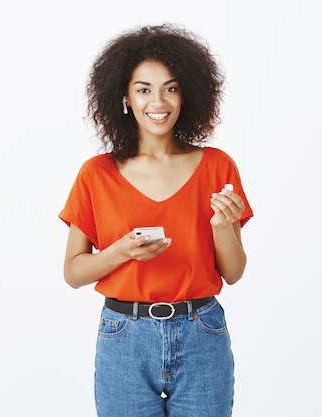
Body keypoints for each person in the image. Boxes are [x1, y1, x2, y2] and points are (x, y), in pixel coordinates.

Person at [58, 23, 253, 417]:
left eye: (171, 87)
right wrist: (121, 252)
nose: (157, 101)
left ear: (186, 95)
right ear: (125, 97)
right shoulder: (96, 173)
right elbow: (74, 273)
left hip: (202, 332)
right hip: (123, 338)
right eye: (143, 89)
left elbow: (233, 272)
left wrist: (221, 229)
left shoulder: (217, 166)